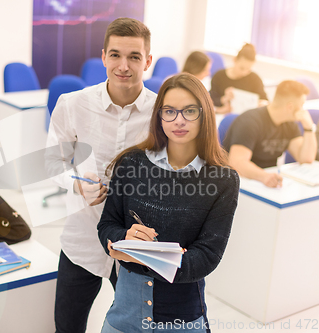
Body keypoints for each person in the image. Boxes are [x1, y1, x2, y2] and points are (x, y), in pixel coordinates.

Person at [97, 73, 239, 332]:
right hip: (125, 313)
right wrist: (121, 239)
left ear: (205, 114)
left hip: (182, 317)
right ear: (159, 116)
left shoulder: (223, 180)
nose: (179, 121)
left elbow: (207, 256)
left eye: (190, 111)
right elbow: (107, 225)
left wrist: (139, 254)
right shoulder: (131, 164)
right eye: (170, 111)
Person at [45, 17, 156, 333]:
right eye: (116, 55)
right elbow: (53, 163)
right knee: (67, 326)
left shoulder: (161, 112)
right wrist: (77, 183)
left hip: (135, 244)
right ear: (104, 55)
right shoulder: (73, 105)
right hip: (82, 238)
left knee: (133, 327)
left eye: (134, 57)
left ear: (147, 61)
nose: (124, 65)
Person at [223, 80, 317, 188]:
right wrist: (264, 176)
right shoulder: (249, 122)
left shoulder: (290, 124)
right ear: (290, 107)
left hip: (266, 181)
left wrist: (309, 127)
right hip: (240, 181)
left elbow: (305, 159)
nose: (303, 110)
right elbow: (237, 162)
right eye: (301, 105)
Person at [209, 44, 268, 114]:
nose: (244, 73)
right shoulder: (219, 76)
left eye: (248, 69)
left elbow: (265, 101)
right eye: (242, 68)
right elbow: (210, 100)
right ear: (235, 60)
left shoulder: (254, 79)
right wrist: (224, 99)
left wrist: (260, 104)